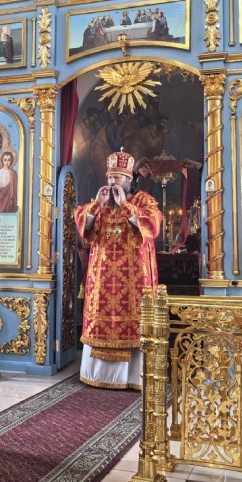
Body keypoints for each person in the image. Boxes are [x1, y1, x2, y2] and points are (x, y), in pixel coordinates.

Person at [73, 149, 162, 389]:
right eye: (110, 177)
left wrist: (125, 206)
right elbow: (83, 225)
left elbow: (153, 223)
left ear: (129, 179)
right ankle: (99, 374)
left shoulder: (143, 200)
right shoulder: (101, 202)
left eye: (118, 178)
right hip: (102, 276)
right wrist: (95, 206)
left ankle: (132, 377)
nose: (113, 182)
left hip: (135, 276)